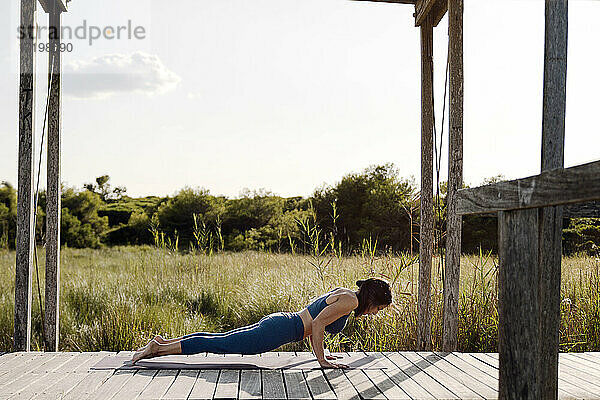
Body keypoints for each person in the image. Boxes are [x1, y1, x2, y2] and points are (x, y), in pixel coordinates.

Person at [131, 277, 393, 369]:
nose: (376, 313)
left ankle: (163, 344)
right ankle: (158, 349)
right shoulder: (351, 303)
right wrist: (321, 360)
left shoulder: (346, 293)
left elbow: (316, 315)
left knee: (218, 339)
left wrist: (323, 353)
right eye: (379, 308)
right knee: (220, 344)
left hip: (280, 323)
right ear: (372, 300)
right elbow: (318, 324)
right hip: (279, 330)